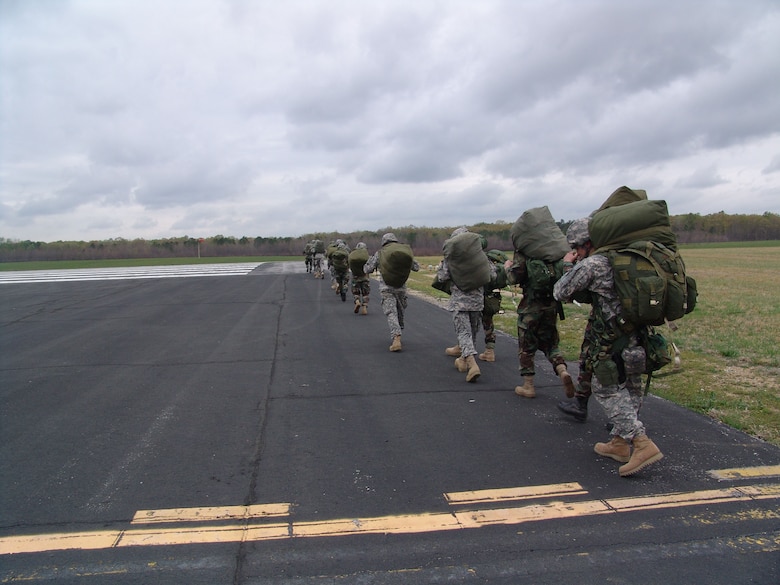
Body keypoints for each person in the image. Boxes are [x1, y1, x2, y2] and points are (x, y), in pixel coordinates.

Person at [553, 218, 663, 477]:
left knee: (605, 389)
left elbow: (560, 292)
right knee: (632, 388)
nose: (576, 252)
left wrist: (568, 265)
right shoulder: (631, 259)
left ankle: (641, 443)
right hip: (638, 339)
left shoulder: (593, 264)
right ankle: (619, 443)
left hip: (611, 341)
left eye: (577, 247)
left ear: (588, 243)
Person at [503, 250, 574, 399]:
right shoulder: (554, 252)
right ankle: (562, 371)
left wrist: (507, 268)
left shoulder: (526, 252)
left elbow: (514, 278)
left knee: (526, 347)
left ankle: (528, 386)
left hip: (530, 308)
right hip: (551, 307)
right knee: (551, 344)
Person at [437, 227, 495, 383]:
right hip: (477, 302)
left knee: (463, 334)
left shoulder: (452, 258)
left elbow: (442, 277)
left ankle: (472, 364)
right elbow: (493, 274)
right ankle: (463, 361)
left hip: (460, 302)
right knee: (472, 333)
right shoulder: (480, 255)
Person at [444, 248, 508, 363]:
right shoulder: (485, 259)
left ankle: (463, 349)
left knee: (465, 325)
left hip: (474, 296)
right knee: (488, 322)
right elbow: (493, 276)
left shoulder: (470, 258)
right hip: (490, 295)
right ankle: (489, 351)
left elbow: (442, 277)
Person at [363, 233, 419, 351]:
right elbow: (416, 267)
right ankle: (399, 328)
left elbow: (368, 269)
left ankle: (396, 337)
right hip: (401, 287)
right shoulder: (404, 251)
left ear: (384, 242)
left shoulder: (380, 253)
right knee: (400, 310)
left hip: (386, 287)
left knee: (391, 312)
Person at [349, 242, 371, 315]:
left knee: (356, 292)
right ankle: (364, 307)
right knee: (365, 293)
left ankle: (357, 301)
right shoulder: (366, 255)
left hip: (355, 277)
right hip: (365, 277)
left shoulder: (353, 255)